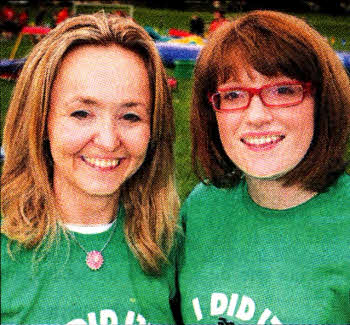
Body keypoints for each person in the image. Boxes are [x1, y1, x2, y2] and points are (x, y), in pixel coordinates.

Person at [1, 13, 179, 324]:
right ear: (41, 121)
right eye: (82, 113)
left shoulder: (170, 244)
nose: (109, 141)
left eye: (131, 117)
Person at [179, 10, 350, 324]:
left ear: (322, 100)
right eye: (233, 94)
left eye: (282, 90)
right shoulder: (202, 208)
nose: (256, 116)